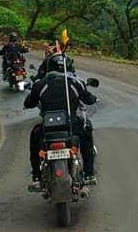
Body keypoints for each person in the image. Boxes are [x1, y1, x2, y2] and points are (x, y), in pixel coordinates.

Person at [23, 53, 97, 189]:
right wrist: (93, 98)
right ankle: (89, 174)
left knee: (35, 138)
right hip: (71, 125)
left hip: (48, 129)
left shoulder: (40, 84)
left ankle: (36, 177)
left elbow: (29, 103)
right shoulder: (76, 82)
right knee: (87, 130)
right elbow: (88, 99)